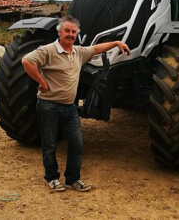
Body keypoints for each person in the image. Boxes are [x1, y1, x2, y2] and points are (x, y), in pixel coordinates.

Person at [22, 15, 130, 192]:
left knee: (77, 144)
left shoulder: (78, 52)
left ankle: (72, 179)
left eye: (73, 31)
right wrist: (41, 81)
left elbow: (95, 48)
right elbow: (27, 61)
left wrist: (116, 43)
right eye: (67, 31)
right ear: (60, 32)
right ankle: (52, 178)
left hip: (70, 107)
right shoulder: (48, 50)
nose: (70, 34)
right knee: (49, 145)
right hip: (49, 105)